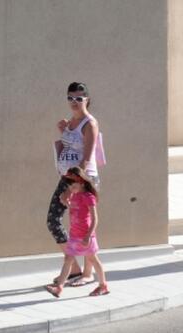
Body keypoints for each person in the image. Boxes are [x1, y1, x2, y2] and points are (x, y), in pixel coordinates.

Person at [47, 82, 102, 283]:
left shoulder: (90, 124)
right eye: (70, 98)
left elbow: (85, 159)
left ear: (87, 100)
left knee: (84, 223)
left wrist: (73, 187)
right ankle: (75, 268)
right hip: (68, 178)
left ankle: (87, 274)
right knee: (54, 221)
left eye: (79, 98)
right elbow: (71, 146)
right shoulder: (70, 122)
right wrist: (63, 130)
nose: (74, 102)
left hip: (83, 179)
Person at [45, 168, 109, 298]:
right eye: (69, 186)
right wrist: (66, 203)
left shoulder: (88, 197)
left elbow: (95, 219)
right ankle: (59, 287)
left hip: (86, 236)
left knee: (93, 260)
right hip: (74, 235)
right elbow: (76, 210)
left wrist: (88, 236)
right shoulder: (75, 195)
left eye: (73, 185)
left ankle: (103, 285)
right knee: (68, 259)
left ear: (82, 183)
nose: (71, 189)